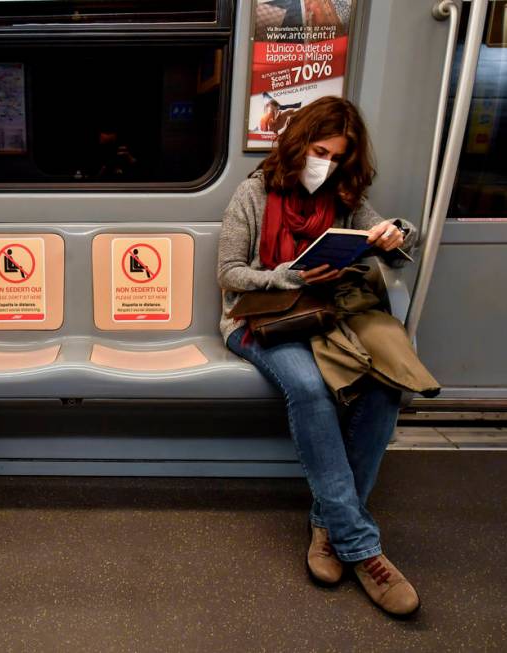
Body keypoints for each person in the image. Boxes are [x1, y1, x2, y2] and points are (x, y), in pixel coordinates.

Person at [218, 96, 421, 616]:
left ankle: (328, 525)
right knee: (309, 388)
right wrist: (291, 274)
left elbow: (390, 239)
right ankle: (362, 547)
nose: (325, 164)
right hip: (262, 318)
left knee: (382, 385)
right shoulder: (253, 192)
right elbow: (230, 274)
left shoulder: (346, 196)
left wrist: (398, 232)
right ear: (298, 142)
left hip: (329, 320)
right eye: (319, 150)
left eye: (336, 156)